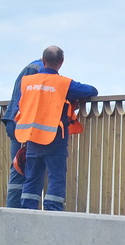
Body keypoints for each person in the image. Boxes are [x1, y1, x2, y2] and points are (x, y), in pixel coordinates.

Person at [15, 45, 97, 211]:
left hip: (31, 137)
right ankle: (53, 211)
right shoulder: (63, 84)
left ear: (43, 61)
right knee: (56, 177)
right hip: (54, 137)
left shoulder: (27, 82)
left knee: (32, 177)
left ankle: (27, 210)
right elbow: (91, 90)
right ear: (61, 63)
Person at [1, 57, 43, 207]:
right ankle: (19, 212)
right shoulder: (41, 70)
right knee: (26, 170)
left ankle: (12, 211)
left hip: (14, 120)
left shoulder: (31, 67)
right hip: (24, 124)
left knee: (18, 166)